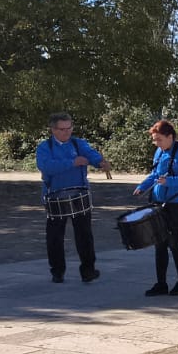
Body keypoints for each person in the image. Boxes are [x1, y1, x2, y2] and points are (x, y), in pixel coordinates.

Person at [36, 112, 110, 284]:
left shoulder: (78, 143)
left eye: (69, 128)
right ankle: (57, 271)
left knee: (84, 235)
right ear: (53, 130)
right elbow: (46, 166)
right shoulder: (45, 147)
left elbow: (91, 154)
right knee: (55, 237)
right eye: (62, 129)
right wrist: (72, 162)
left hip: (79, 194)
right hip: (55, 196)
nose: (66, 132)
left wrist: (100, 163)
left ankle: (88, 271)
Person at [135, 120, 178, 297]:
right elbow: (155, 174)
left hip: (176, 205)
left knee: (174, 243)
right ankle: (161, 283)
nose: (156, 143)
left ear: (170, 137)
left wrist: (170, 181)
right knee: (159, 245)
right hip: (158, 203)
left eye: (159, 139)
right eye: (155, 140)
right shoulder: (159, 152)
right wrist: (142, 185)